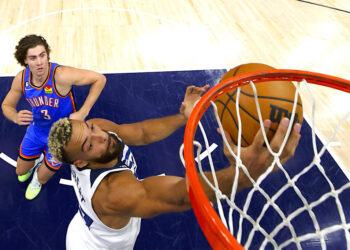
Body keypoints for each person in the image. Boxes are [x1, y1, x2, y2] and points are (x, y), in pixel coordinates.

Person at [48, 85, 301, 250]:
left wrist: (184, 116)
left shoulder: (98, 129)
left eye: (92, 129)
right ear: (80, 162)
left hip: (85, 227)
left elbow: (141, 132)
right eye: (89, 145)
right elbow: (181, 196)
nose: (101, 137)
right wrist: (245, 173)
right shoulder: (114, 193)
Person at [1, 34, 106, 200]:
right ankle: (36, 160)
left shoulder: (61, 75)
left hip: (62, 135)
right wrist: (14, 116)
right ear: (25, 60)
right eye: (33, 58)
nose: (40, 62)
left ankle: (36, 179)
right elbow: (6, 106)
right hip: (37, 130)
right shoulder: (22, 79)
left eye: (42, 55)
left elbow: (99, 79)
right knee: (20, 171)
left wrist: (83, 112)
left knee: (42, 177)